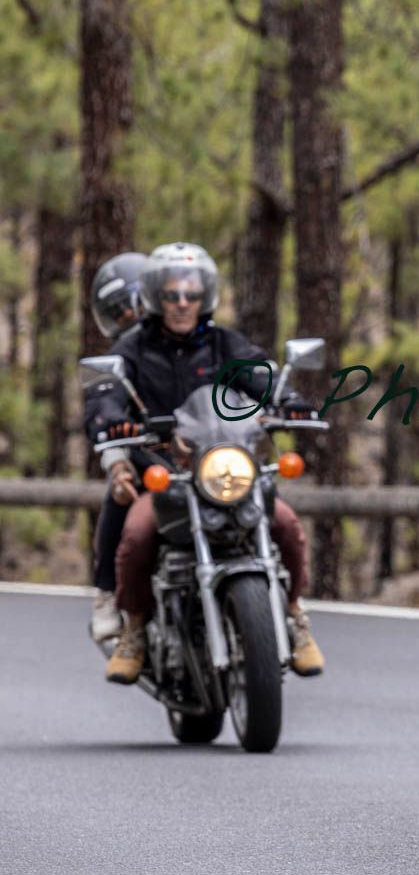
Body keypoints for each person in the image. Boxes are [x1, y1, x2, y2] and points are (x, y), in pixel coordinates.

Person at [89, 242, 326, 683]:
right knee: (138, 533)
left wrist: (290, 402)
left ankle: (295, 615)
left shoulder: (224, 344)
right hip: (168, 475)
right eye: (172, 293)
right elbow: (106, 396)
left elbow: (262, 375)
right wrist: (110, 421)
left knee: (287, 525)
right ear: (155, 295)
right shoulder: (132, 350)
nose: (182, 303)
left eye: (191, 293)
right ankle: (134, 629)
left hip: (224, 469)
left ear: (205, 295)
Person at [85, 252, 151, 642]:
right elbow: (102, 406)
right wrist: (116, 461)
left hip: (205, 453)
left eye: (131, 305)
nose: (127, 316)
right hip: (146, 454)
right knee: (120, 491)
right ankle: (106, 590)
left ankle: (288, 605)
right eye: (117, 311)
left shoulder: (193, 339)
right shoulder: (117, 357)